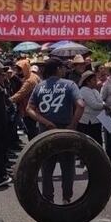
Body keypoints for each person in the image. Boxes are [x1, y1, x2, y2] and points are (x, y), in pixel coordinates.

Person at [26, 58, 84, 203]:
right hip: (65, 131)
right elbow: (81, 105)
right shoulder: (70, 84)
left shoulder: (39, 87)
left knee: (47, 168)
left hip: (46, 132)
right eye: (63, 67)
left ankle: (48, 200)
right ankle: (66, 198)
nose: (65, 70)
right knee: (68, 167)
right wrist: (72, 125)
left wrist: (46, 122)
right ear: (58, 69)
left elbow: (29, 109)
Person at [10, 59, 40, 141]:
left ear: (25, 69)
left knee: (31, 131)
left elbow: (20, 94)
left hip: (29, 109)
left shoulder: (29, 81)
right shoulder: (33, 76)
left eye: (20, 70)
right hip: (35, 108)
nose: (18, 72)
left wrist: (9, 100)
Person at [77, 71, 105, 146]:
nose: (96, 82)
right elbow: (94, 105)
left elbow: (100, 101)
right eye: (94, 80)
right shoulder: (84, 91)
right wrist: (104, 106)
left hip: (96, 120)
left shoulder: (94, 90)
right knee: (90, 143)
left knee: (98, 142)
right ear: (88, 82)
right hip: (88, 122)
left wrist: (103, 105)